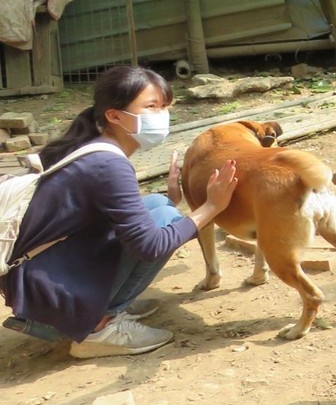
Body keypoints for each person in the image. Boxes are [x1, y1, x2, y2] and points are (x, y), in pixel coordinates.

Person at [1, 65, 239, 358]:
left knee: (157, 205)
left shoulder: (94, 145)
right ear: (114, 115)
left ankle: (99, 303)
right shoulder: (108, 163)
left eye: (165, 106)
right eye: (151, 106)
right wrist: (211, 207)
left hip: (40, 272)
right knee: (166, 221)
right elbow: (151, 245)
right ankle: (97, 326)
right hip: (48, 290)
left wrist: (172, 201)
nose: (162, 115)